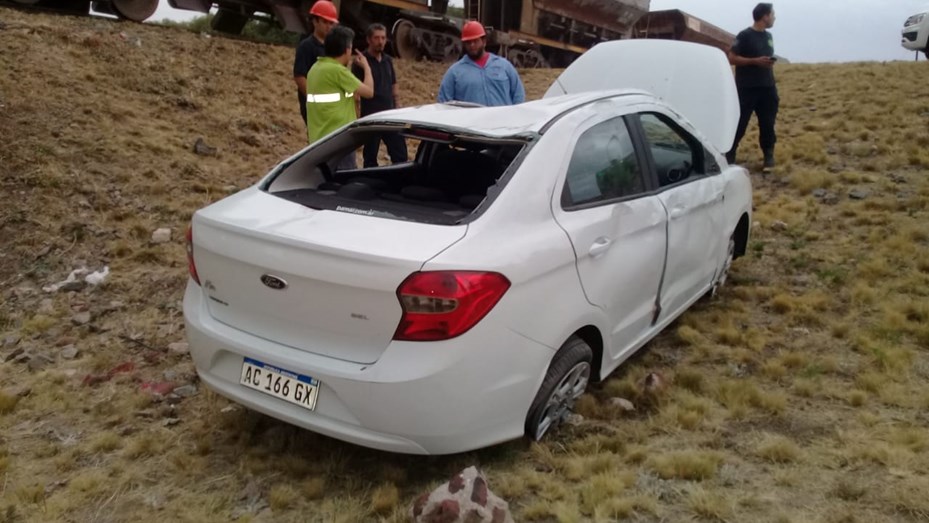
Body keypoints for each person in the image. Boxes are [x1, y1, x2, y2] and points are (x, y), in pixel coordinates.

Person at [306, 26, 374, 169]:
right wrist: (367, 67)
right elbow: (369, 92)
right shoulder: (338, 71)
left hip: (317, 140)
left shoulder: (315, 68)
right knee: (343, 184)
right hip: (338, 142)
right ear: (347, 49)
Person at [727, 3, 778, 171]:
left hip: (767, 88)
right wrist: (754, 61)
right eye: (772, 14)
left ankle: (768, 157)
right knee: (740, 123)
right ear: (764, 16)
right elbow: (732, 58)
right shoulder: (744, 35)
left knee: (768, 124)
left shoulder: (768, 36)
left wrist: (768, 63)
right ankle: (730, 154)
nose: (774, 18)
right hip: (747, 88)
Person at [351, 23, 408, 167]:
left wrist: (398, 107)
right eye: (377, 38)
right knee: (370, 156)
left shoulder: (388, 60)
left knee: (400, 153)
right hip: (371, 116)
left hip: (389, 115)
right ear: (369, 40)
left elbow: (394, 85)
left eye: (383, 38)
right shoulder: (360, 62)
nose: (381, 41)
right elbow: (355, 91)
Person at [437, 21, 525, 106]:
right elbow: (443, 104)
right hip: (471, 121)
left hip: (503, 120)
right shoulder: (454, 72)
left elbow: (518, 96)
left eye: (475, 41)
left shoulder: (504, 66)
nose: (472, 45)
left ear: (484, 41)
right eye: (468, 42)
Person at [293, 1, 339, 127]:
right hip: (314, 107)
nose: (328, 27)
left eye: (331, 23)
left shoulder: (333, 48)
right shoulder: (306, 46)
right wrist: (315, 100)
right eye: (325, 22)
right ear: (315, 21)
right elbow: (299, 76)